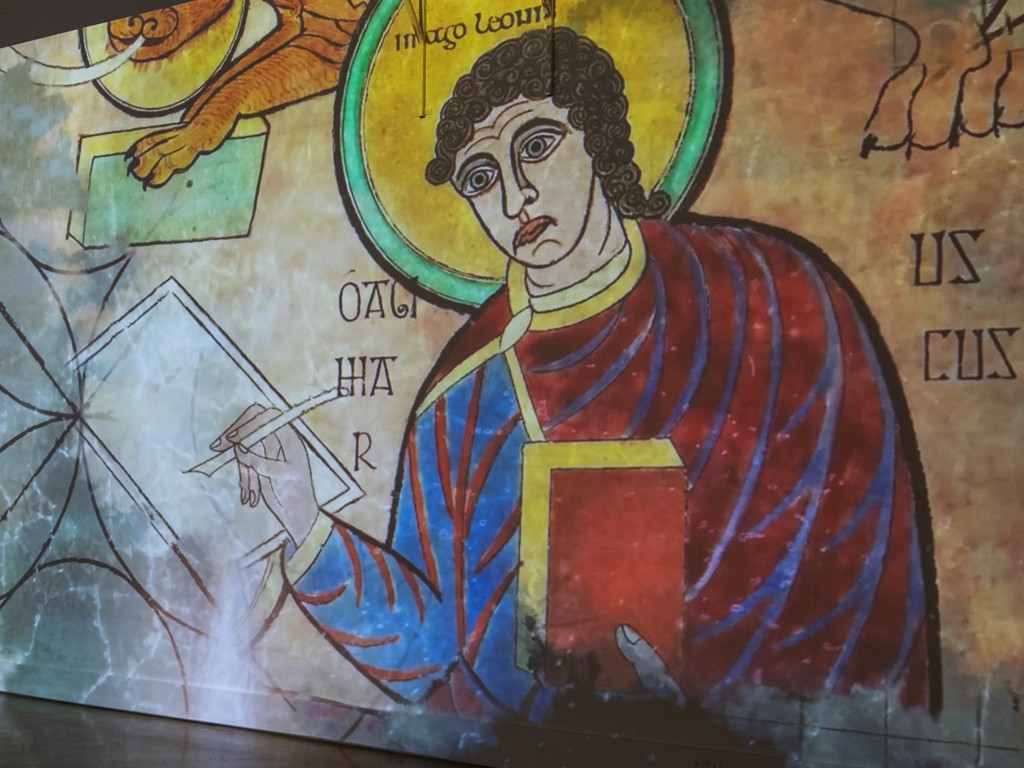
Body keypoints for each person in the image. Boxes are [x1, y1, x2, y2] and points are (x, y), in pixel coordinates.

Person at [223, 26, 940, 721]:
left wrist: (710, 709)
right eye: (481, 177)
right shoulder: (465, 399)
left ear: (596, 136)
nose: (515, 197)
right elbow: (433, 643)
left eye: (536, 146)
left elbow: (852, 559)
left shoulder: (771, 294)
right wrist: (303, 521)